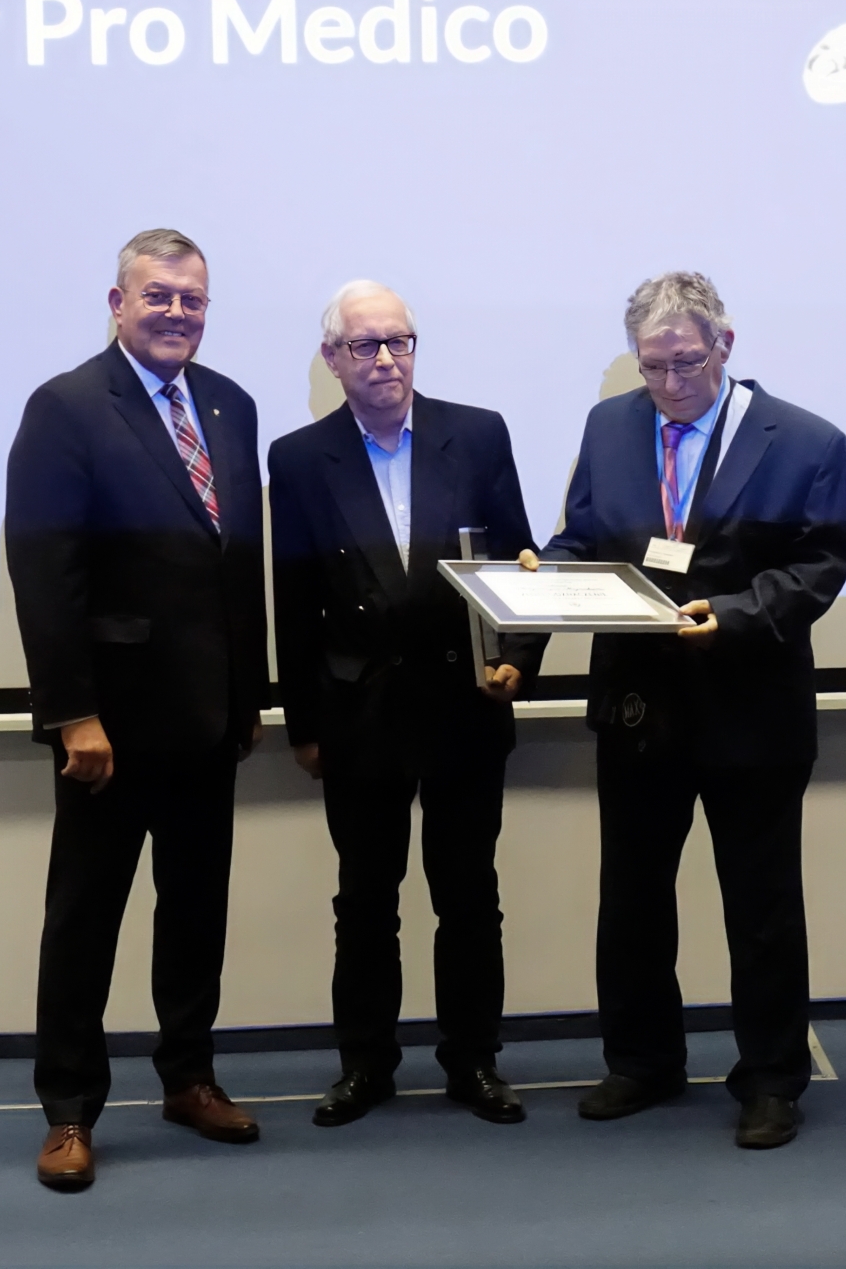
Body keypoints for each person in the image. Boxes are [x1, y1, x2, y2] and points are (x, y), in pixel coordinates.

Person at [520, 271, 846, 1149]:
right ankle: (642, 1061)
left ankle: (771, 1078)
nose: (669, 384)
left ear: (725, 346)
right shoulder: (609, 425)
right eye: (652, 366)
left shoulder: (806, 440)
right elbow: (582, 537)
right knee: (631, 898)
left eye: (687, 363)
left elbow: (821, 566)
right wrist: (540, 585)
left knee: (762, 906)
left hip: (752, 708)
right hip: (638, 706)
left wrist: (733, 616)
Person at [5, 229, 269, 1191]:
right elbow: (45, 572)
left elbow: (239, 567)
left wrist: (250, 697)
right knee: (85, 922)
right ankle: (69, 1110)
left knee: (196, 913)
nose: (176, 313)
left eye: (192, 298)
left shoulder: (230, 405)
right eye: (158, 295)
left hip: (208, 720)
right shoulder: (67, 407)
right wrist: (72, 714)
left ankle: (188, 1078)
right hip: (108, 731)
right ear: (118, 303)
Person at [268, 281, 547, 1128]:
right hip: (359, 713)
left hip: (465, 704)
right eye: (365, 345)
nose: (386, 360)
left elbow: (522, 566)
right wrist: (305, 726)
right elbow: (293, 602)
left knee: (469, 897)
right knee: (364, 901)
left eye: (400, 342)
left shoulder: (478, 434)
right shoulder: (298, 457)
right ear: (333, 359)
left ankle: (475, 1061)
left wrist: (518, 663)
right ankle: (365, 1066)